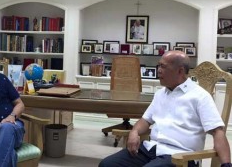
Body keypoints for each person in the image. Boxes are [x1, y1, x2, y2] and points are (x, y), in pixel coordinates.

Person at [99, 50, 232, 167]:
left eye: (163, 66)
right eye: (159, 66)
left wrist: (226, 164)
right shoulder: (160, 94)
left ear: (180, 71)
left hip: (180, 157)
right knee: (107, 164)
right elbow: (145, 120)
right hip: (152, 149)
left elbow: (217, 132)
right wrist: (134, 132)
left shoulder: (200, 96)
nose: (159, 70)